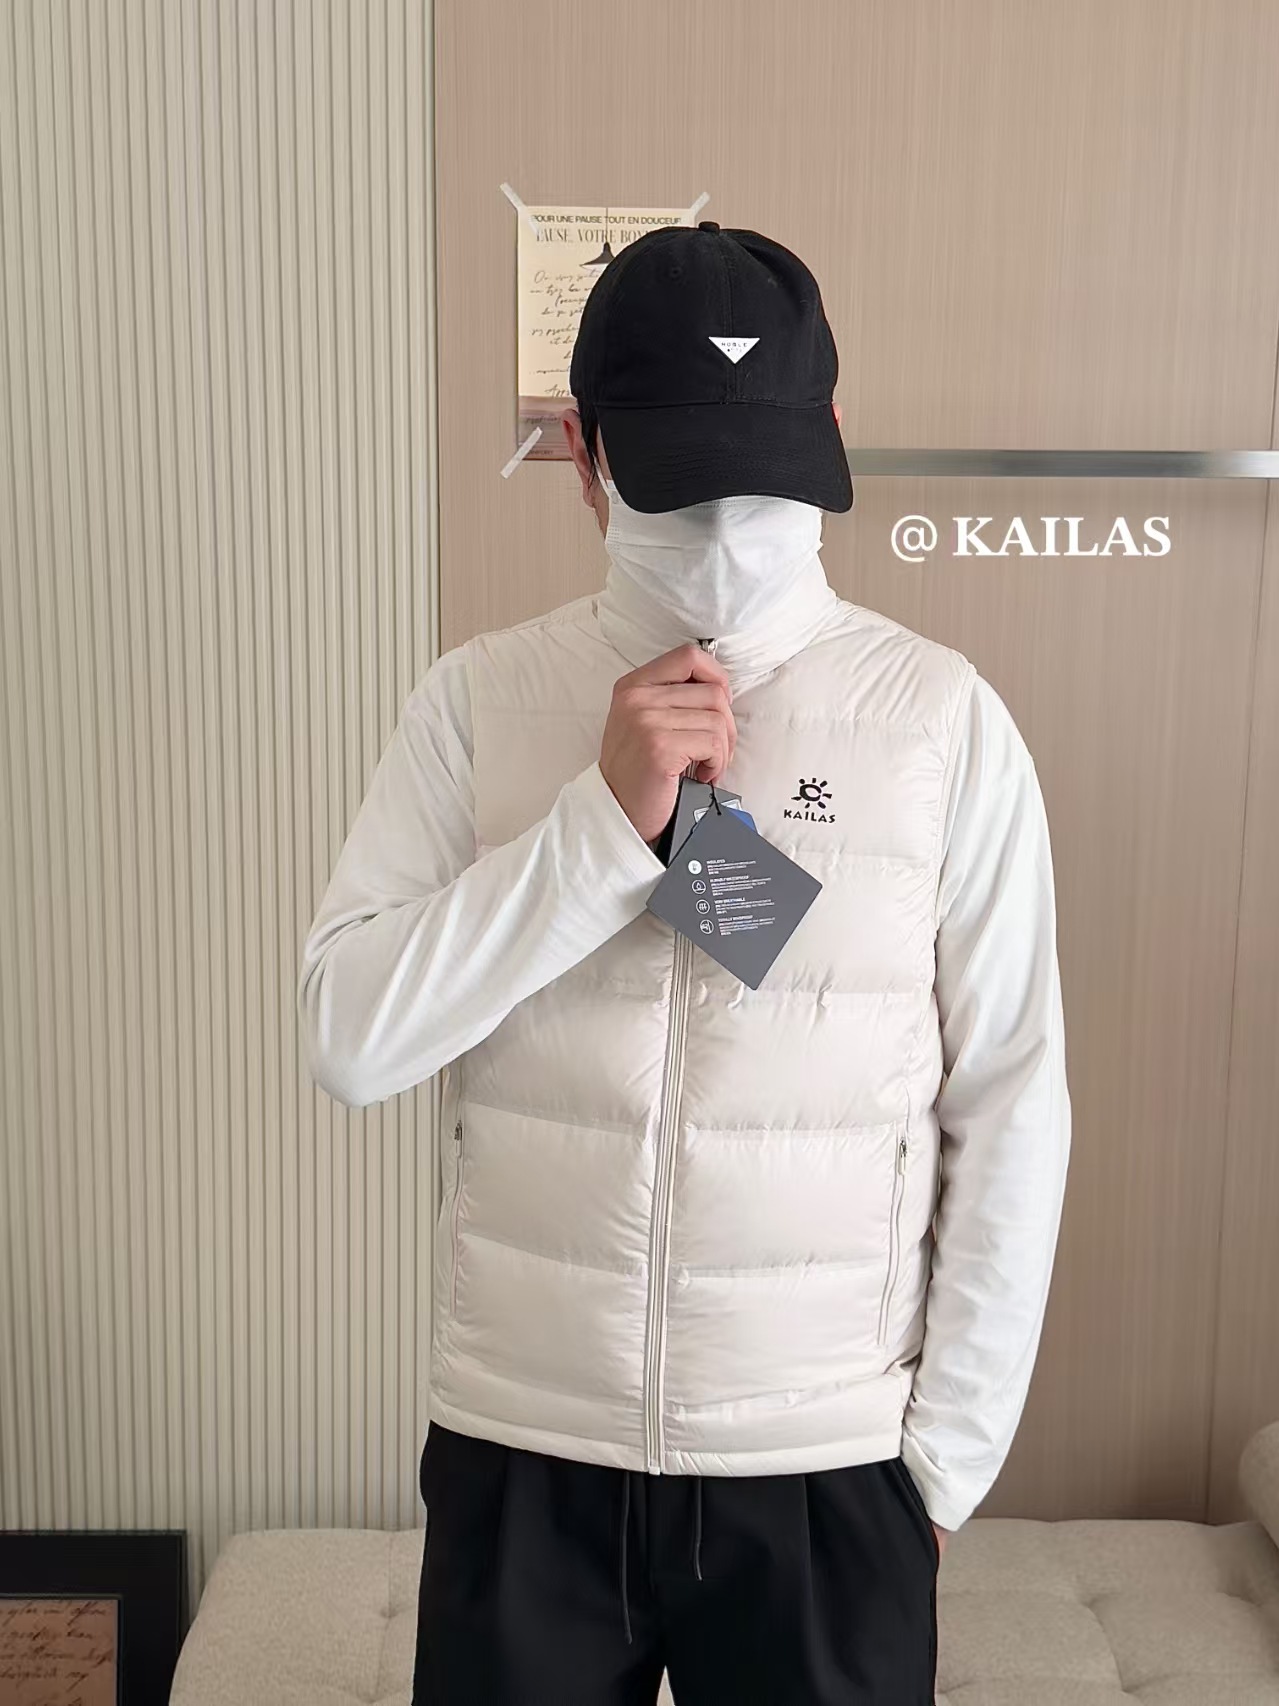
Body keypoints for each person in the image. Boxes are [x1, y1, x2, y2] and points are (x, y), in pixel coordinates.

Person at [297, 221, 1071, 1706]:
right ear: (584, 453)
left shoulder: (941, 721)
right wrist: (597, 829)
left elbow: (1012, 1098)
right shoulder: (478, 703)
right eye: (678, 470)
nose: (725, 524)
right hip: (527, 1445)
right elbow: (347, 1034)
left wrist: (943, 1465)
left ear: (827, 432)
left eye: (765, 469)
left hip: (826, 1461)